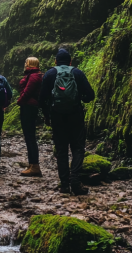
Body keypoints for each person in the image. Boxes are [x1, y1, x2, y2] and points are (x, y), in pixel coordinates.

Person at [39, 47, 95, 195]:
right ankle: (75, 179)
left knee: (61, 149)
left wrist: (46, 115)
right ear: (70, 61)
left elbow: (42, 99)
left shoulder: (50, 74)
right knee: (77, 147)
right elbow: (90, 95)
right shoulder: (77, 72)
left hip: (57, 116)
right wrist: (80, 99)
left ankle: (64, 185)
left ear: (55, 61)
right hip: (75, 114)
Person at [17, 57, 43, 177]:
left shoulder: (33, 77)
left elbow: (27, 92)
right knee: (29, 136)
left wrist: (20, 101)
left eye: (26, 62)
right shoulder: (33, 75)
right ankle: (32, 164)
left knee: (30, 137)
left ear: (30, 64)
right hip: (30, 107)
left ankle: (34, 165)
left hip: (29, 107)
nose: (25, 64)